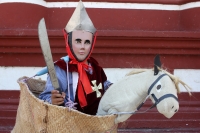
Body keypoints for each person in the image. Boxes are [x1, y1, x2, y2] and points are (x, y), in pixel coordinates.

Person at [39, 0, 112, 115]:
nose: (82, 47)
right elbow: (44, 96)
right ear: (68, 41)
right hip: (71, 122)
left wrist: (114, 88)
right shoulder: (61, 68)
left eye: (87, 42)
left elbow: (104, 85)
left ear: (92, 44)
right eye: (78, 41)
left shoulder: (95, 67)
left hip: (97, 120)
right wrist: (52, 100)